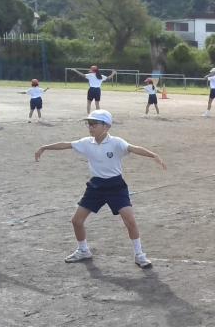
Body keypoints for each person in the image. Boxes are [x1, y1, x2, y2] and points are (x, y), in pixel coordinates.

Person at [34, 109, 166, 268]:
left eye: (94, 124)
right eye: (88, 124)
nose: (90, 127)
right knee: (76, 221)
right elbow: (67, 144)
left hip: (116, 186)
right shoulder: (86, 142)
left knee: (130, 220)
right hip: (95, 186)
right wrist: (45, 147)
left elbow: (133, 148)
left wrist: (154, 155)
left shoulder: (116, 142)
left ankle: (139, 255)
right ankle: (83, 250)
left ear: (106, 126)